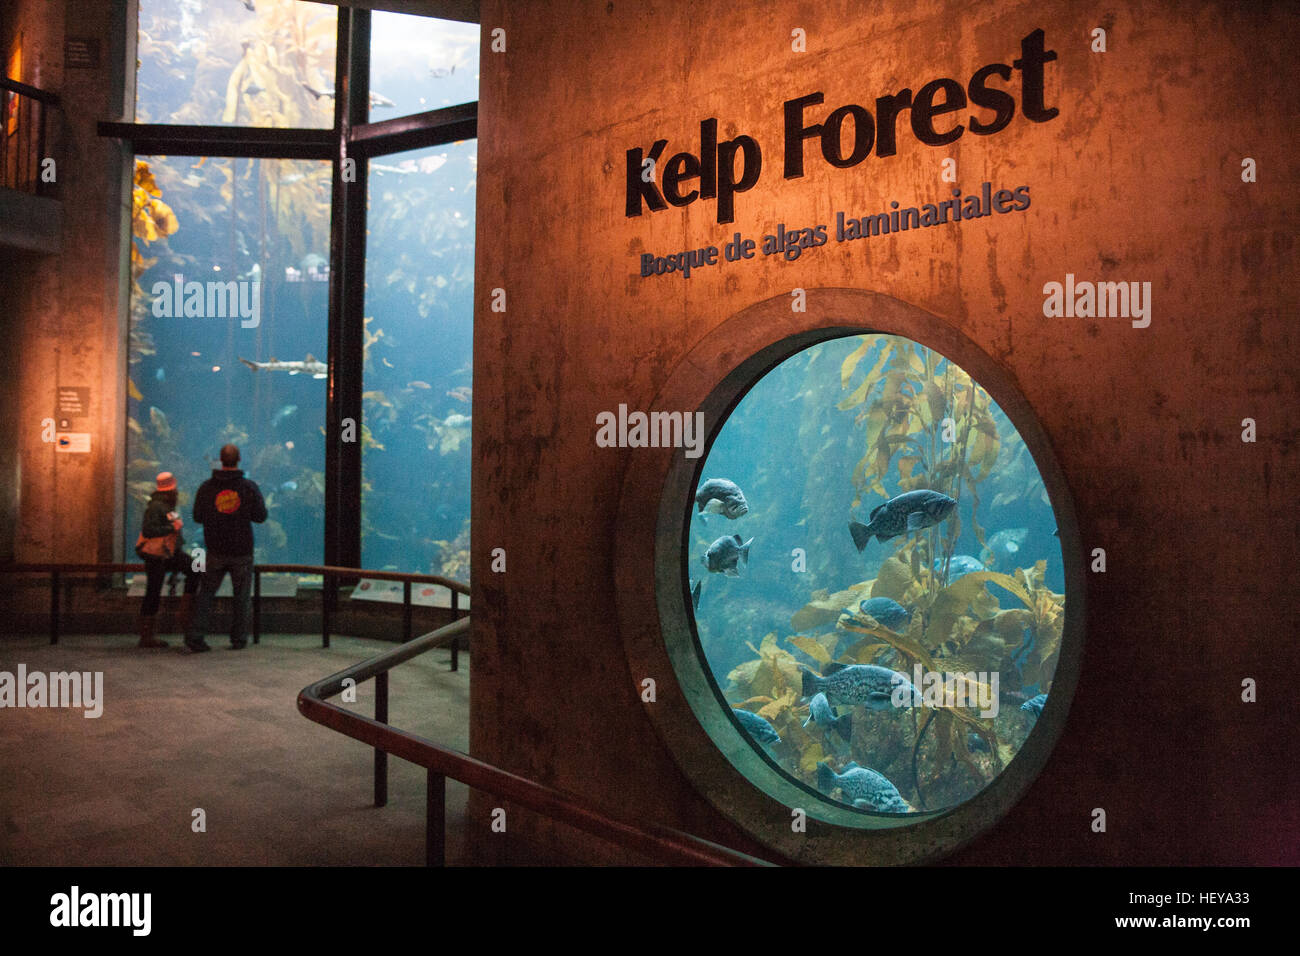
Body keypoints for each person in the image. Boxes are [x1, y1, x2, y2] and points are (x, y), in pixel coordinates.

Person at [185, 443, 267, 652]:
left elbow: (197, 516)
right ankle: (238, 639)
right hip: (241, 550)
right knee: (241, 596)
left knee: (206, 594)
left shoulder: (206, 487)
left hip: (214, 549)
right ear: (238, 460)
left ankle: (195, 636)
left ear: (220, 460)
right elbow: (260, 516)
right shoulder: (248, 487)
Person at [135, 471, 198, 649]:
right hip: (157, 556)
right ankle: (149, 634)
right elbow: (148, 530)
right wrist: (170, 527)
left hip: (167, 554)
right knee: (153, 591)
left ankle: (150, 633)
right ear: (172, 489)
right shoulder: (156, 506)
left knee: (155, 590)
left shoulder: (165, 505)